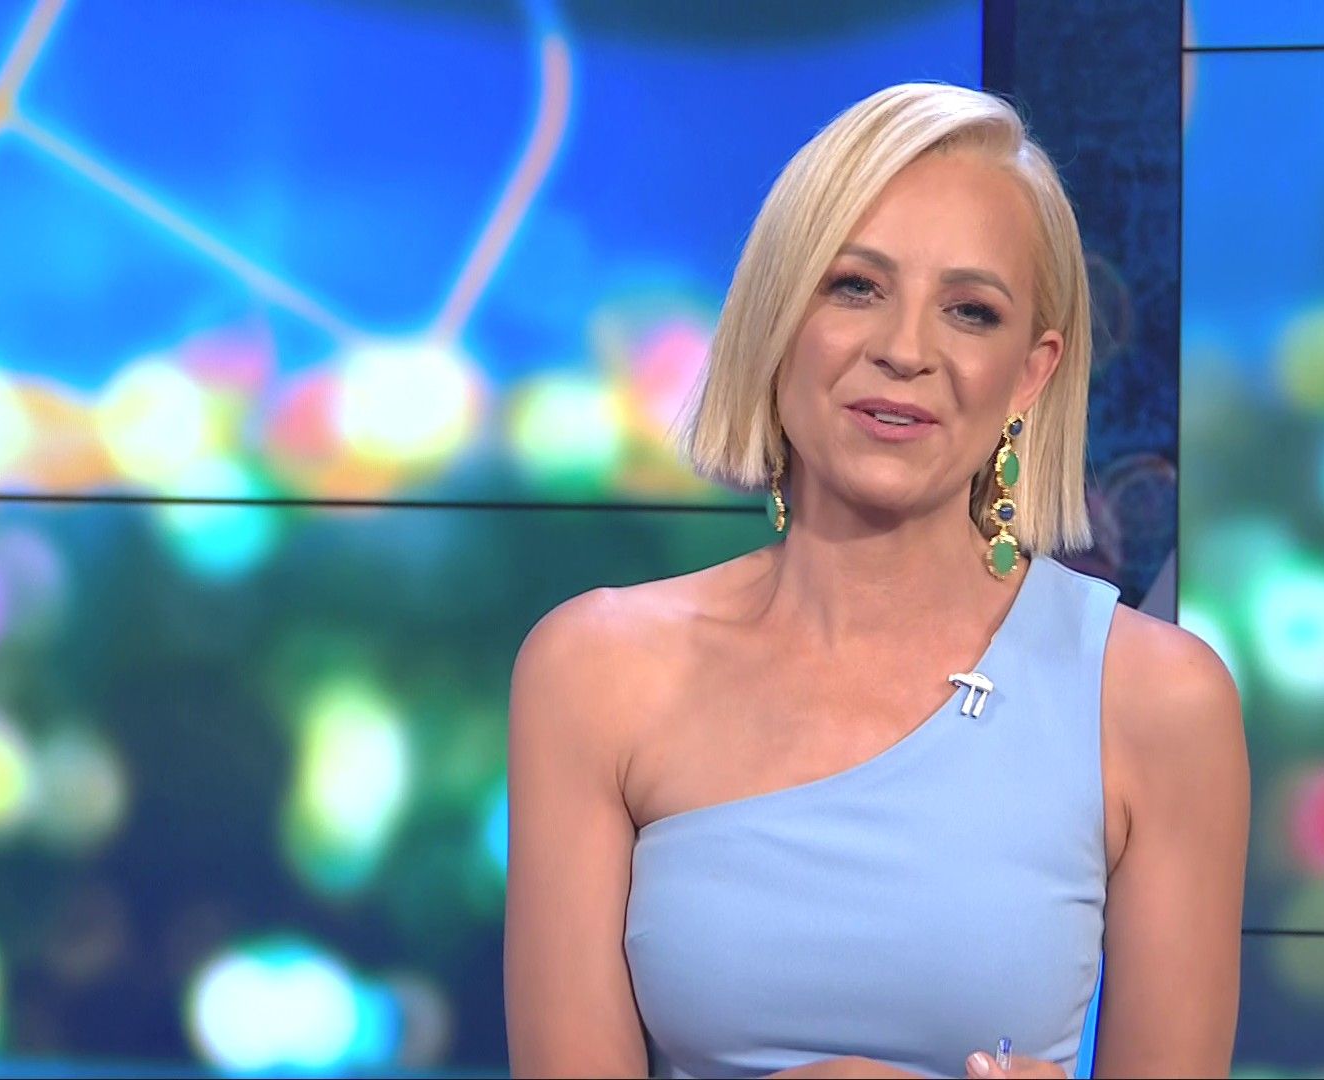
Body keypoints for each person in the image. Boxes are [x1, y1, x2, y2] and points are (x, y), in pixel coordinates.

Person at [504, 82, 1248, 1079]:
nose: (904, 351)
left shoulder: (1156, 701)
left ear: (1031, 373)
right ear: (778, 317)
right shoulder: (595, 671)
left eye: (971, 311)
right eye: (856, 287)